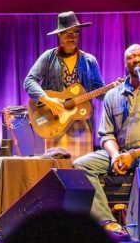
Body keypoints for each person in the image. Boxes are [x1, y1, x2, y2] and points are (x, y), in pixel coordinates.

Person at [73, 44, 140, 239]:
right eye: (131, 57)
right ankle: (107, 222)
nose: (136, 59)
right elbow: (106, 135)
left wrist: (133, 155)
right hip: (121, 152)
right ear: (124, 63)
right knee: (80, 165)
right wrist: (115, 155)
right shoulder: (113, 95)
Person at [23, 11, 104, 158]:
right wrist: (48, 100)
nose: (72, 37)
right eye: (67, 33)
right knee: (57, 166)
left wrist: (115, 90)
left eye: (75, 32)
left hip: (82, 122)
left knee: (82, 167)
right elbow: (29, 81)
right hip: (54, 122)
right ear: (59, 35)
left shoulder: (89, 60)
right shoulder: (48, 57)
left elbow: (100, 91)